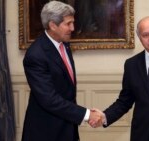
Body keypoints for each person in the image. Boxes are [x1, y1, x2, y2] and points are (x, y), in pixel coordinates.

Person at [21, 1, 102, 141]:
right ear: (53, 25)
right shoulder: (36, 55)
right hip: (46, 131)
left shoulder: (64, 44)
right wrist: (87, 115)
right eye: (68, 23)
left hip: (67, 127)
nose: (73, 28)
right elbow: (49, 99)